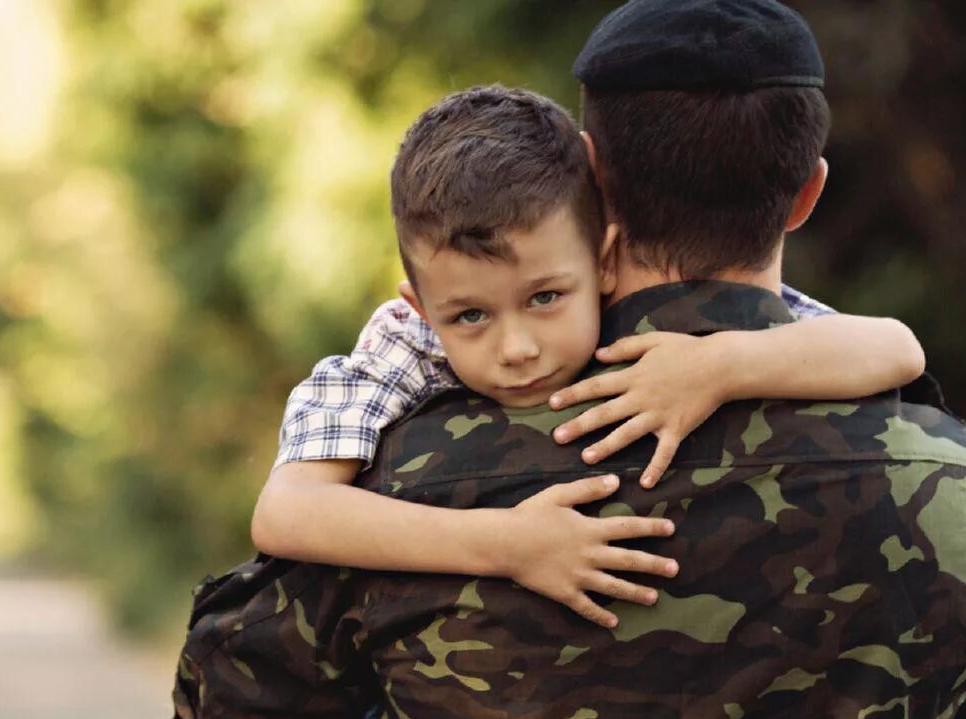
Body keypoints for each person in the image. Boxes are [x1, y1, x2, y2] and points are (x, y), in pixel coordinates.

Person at [172, 1, 966, 719]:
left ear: (594, 181)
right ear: (807, 194)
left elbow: (234, 707)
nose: (512, 347)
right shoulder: (957, 487)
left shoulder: (400, 481)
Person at [252, 84, 925, 630]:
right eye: (471, 316)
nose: (517, 348)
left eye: (544, 297)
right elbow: (287, 512)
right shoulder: (405, 344)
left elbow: (897, 348)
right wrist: (506, 545)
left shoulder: (646, 320)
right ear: (422, 309)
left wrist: (721, 366)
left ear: (604, 262)